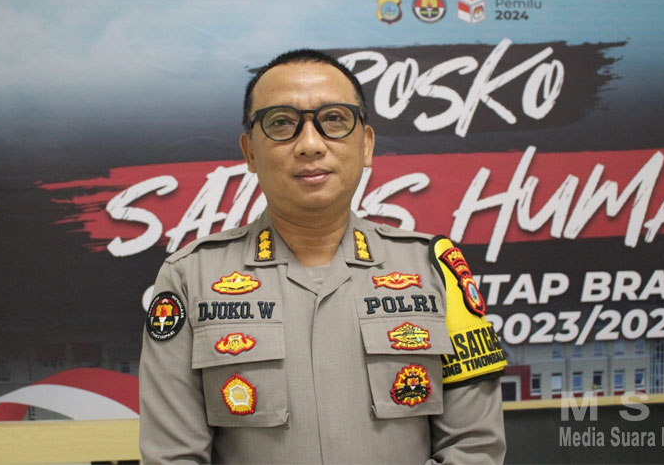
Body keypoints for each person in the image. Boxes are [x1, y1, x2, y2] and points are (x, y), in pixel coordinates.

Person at [139, 49, 508, 464]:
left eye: (334, 119)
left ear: (366, 144)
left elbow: (474, 448)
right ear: (250, 152)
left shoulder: (434, 269)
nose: (310, 145)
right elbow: (173, 457)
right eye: (281, 123)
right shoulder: (190, 278)